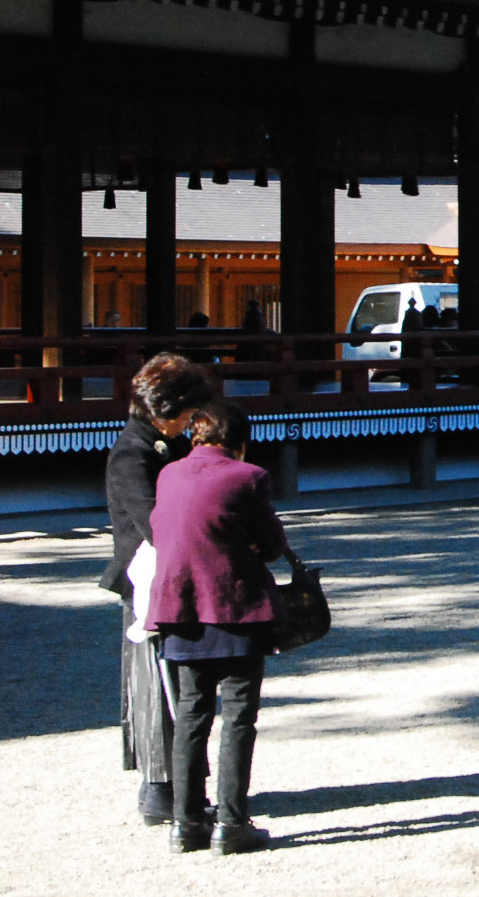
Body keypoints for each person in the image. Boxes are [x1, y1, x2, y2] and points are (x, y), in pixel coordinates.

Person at [149, 403, 287, 856]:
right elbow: (271, 545)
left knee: (191, 715)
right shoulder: (248, 477)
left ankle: (186, 823)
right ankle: (231, 822)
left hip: (180, 607)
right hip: (234, 608)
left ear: (196, 440)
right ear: (240, 442)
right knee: (238, 717)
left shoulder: (168, 475)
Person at [98, 352, 215, 826]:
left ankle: (181, 783)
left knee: (182, 684)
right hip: (149, 579)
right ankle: (159, 788)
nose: (190, 423)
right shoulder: (133, 452)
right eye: (187, 414)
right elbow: (154, 522)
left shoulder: (167, 445)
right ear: (165, 408)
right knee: (157, 687)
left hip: (175, 574)